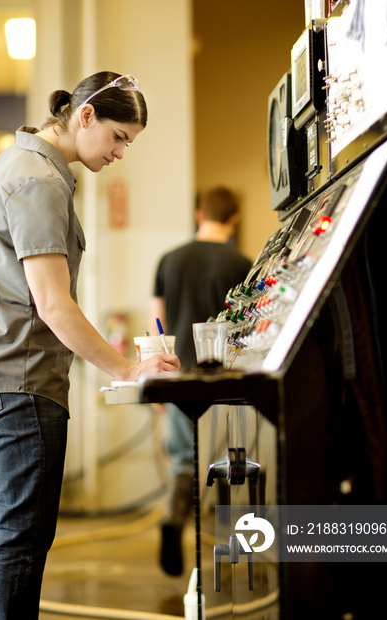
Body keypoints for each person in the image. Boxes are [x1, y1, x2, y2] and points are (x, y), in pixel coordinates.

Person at [0, 71, 180, 620]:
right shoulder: (38, 179)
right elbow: (52, 305)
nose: (122, 152)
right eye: (120, 136)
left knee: (3, 533)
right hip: (19, 381)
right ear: (85, 116)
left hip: (1, 375)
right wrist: (127, 368)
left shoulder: (21, 163)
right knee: (20, 539)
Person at [149, 186, 252, 576]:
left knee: (183, 460)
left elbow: (156, 322)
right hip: (226, 379)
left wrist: (157, 378)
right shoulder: (241, 263)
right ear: (235, 219)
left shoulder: (168, 261)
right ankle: (233, 549)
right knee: (231, 459)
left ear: (199, 214)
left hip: (179, 377)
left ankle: (173, 521)